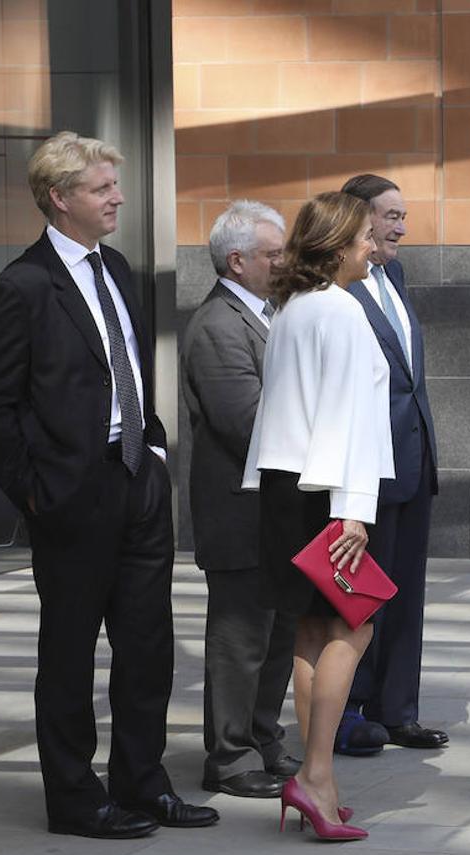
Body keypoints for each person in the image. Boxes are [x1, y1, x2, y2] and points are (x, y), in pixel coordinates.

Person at [0, 131, 217, 837]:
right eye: (103, 187)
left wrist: (157, 452)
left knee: (148, 647)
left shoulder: (116, 265)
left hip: (137, 478)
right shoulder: (20, 286)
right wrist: (36, 491)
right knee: (70, 655)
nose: (118, 197)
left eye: (116, 184)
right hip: (70, 495)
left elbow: (126, 368)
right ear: (60, 198)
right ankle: (75, 799)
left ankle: (142, 783)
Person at [242, 191, 393, 841]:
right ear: (336, 246)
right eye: (364, 236)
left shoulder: (293, 308)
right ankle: (316, 776)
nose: (373, 245)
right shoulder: (341, 311)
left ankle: (315, 779)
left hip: (285, 487)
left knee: (310, 634)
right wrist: (353, 513)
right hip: (328, 490)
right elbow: (347, 412)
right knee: (352, 631)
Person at [182, 200, 300, 799]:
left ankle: (262, 736)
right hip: (240, 514)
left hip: (275, 513)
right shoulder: (218, 327)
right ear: (237, 260)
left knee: (277, 635)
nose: (284, 262)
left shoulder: (269, 312)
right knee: (239, 641)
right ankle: (229, 755)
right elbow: (245, 421)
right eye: (273, 254)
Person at [338, 174, 444, 755]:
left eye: (404, 216)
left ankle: (397, 709)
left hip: (412, 458)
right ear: (359, 219)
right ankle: (350, 710)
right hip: (366, 467)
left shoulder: (394, 275)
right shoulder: (337, 288)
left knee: (405, 591)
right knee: (362, 593)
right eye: (390, 216)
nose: (401, 227)